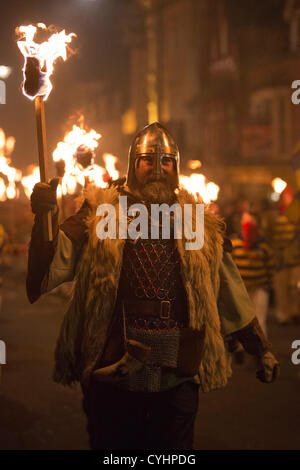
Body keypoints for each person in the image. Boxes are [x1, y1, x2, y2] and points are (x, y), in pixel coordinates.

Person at [26, 122, 279, 450]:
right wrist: (45, 216)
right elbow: (52, 263)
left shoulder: (197, 221)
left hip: (178, 367)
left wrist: (260, 348)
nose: (158, 168)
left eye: (166, 161)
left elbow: (229, 290)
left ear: (175, 166)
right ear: (134, 165)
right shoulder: (102, 213)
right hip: (113, 362)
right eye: (149, 160)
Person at [231, 212, 274, 338]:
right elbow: (231, 267)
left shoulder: (263, 245)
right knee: (242, 320)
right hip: (241, 289)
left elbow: (270, 267)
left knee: (259, 319)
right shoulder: (235, 243)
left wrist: (268, 286)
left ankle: (261, 349)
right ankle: (240, 349)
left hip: (259, 287)